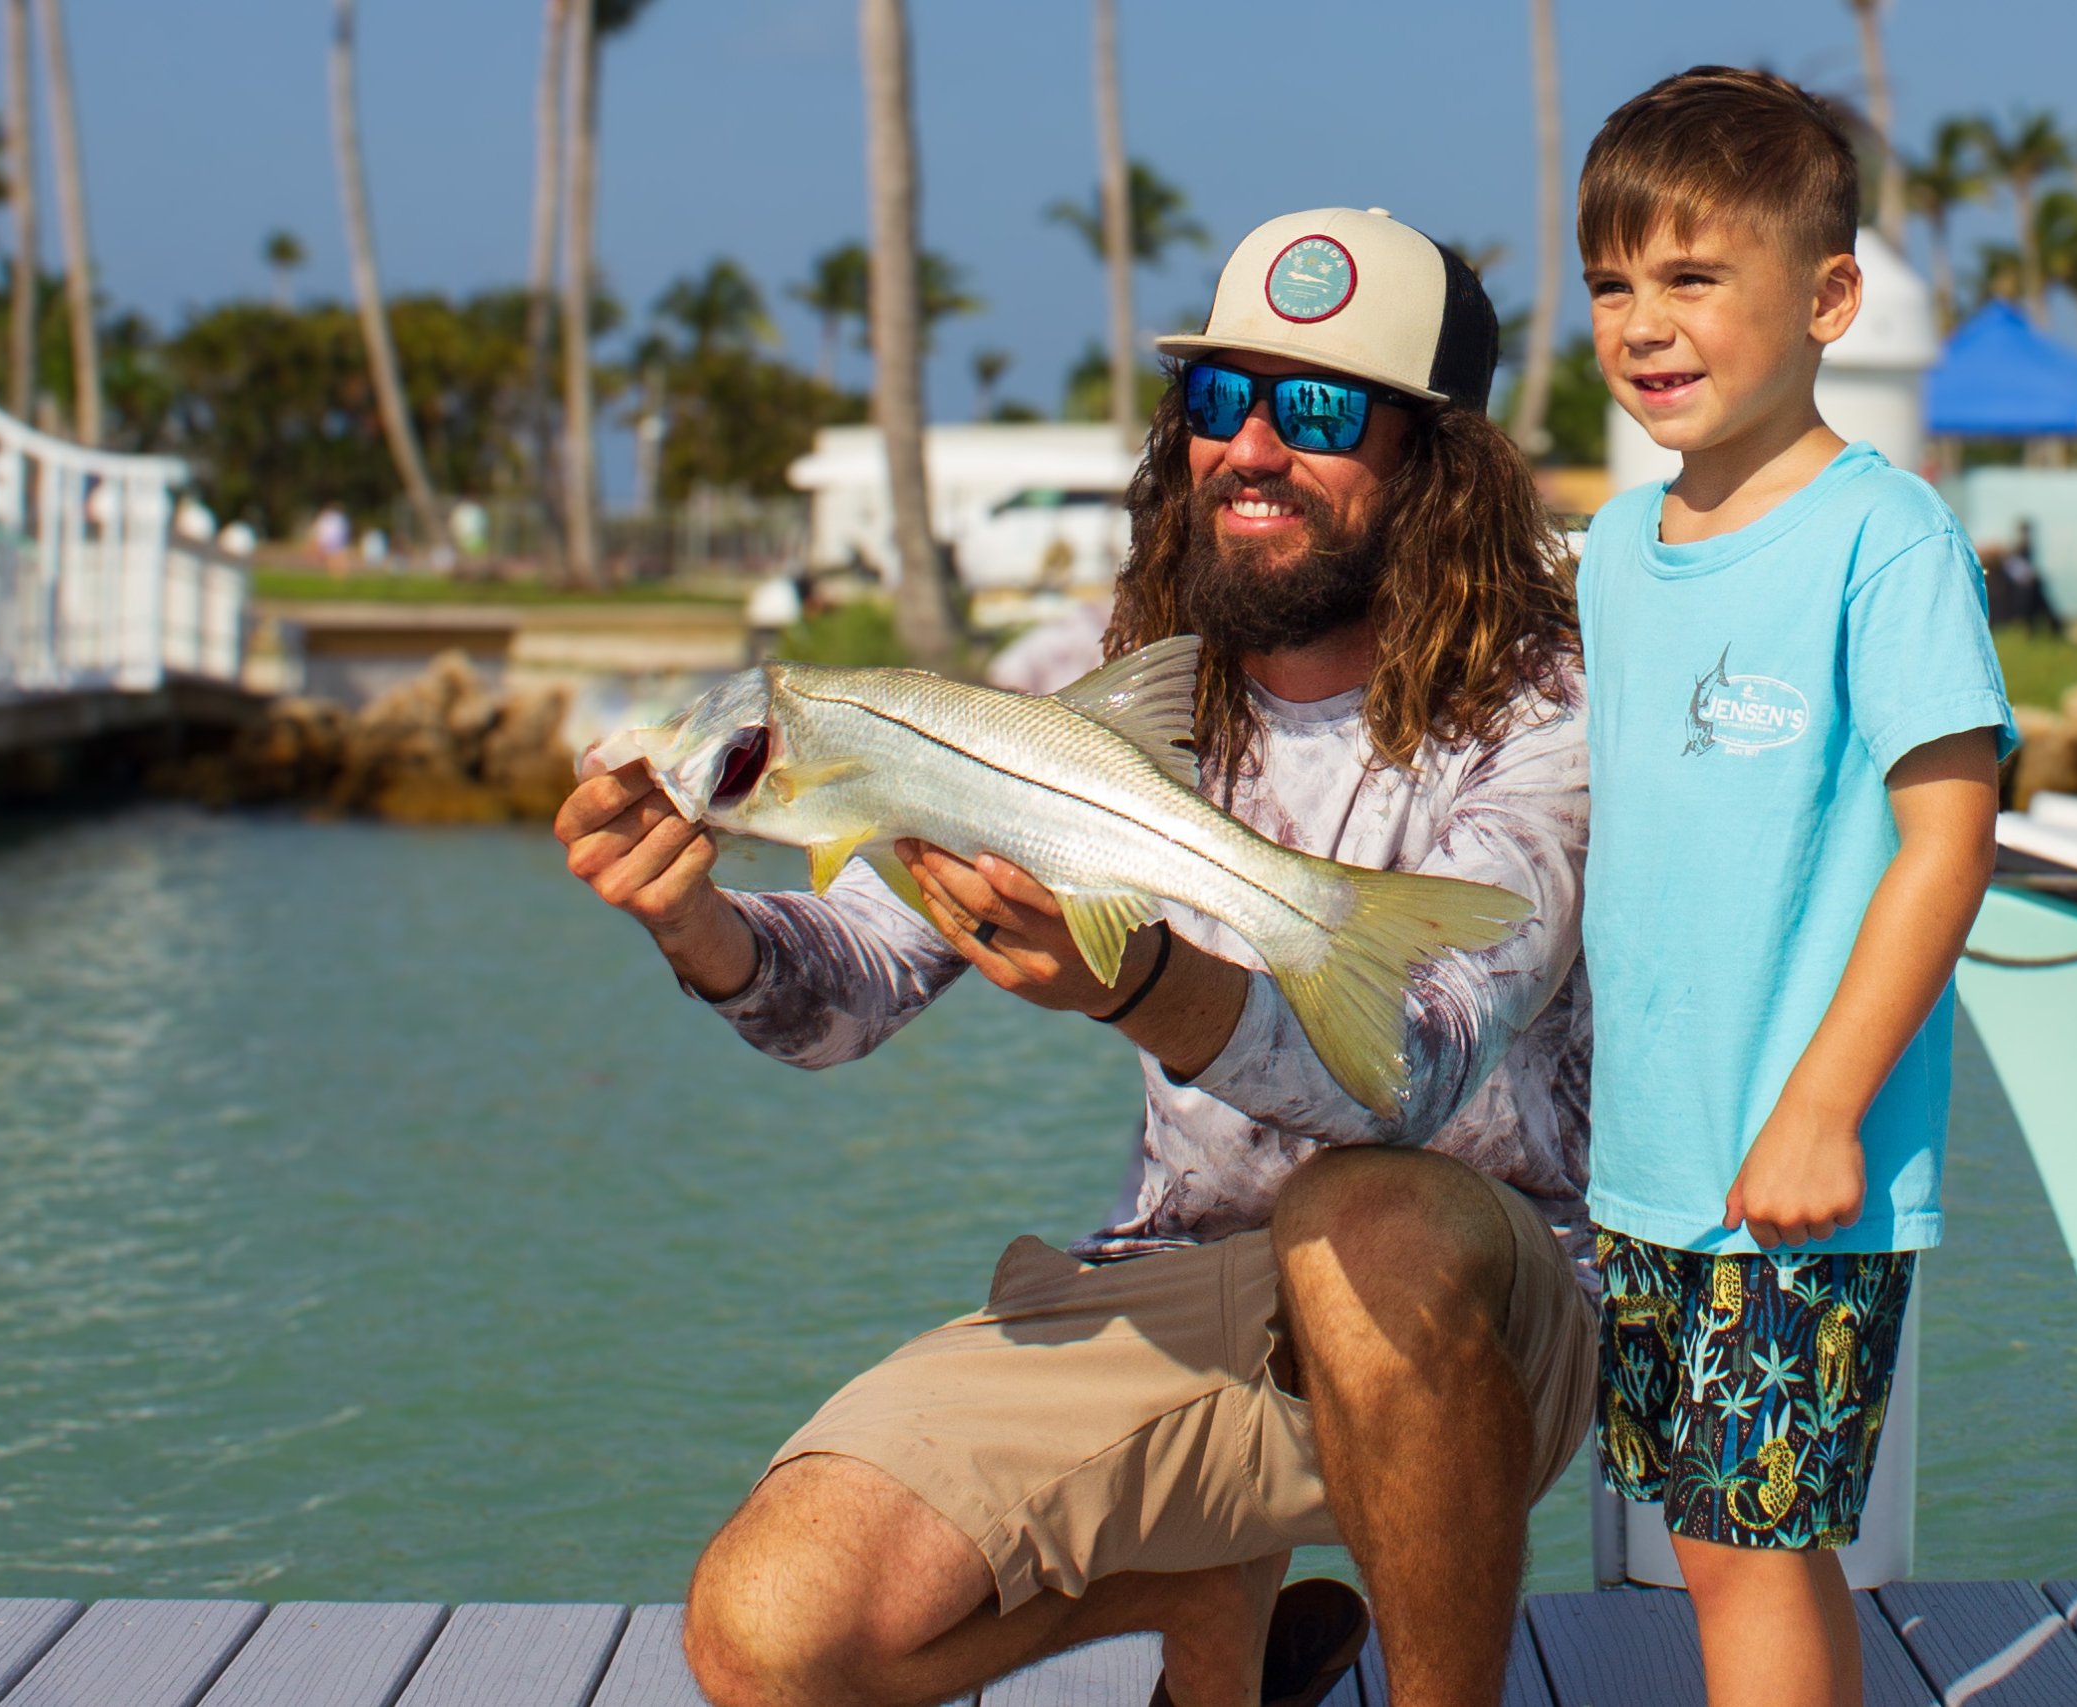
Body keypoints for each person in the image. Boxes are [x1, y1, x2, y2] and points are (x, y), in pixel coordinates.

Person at [554, 206, 1594, 1707]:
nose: (1249, 449)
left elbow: (1418, 1068)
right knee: (770, 1634)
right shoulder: (1089, 684)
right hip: (1184, 1278)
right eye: (1217, 400)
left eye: (1316, 412)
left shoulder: (1541, 714)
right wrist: (694, 922)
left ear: (1438, 465)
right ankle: (1199, 1590)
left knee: (1372, 1213)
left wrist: (1144, 989)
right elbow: (846, 997)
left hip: (1486, 1309)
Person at [1570, 70, 2015, 1707]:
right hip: (1651, 1158)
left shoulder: (1885, 538)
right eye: (1613, 283)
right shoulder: (1616, 551)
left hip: (1801, 1163)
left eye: (1694, 277)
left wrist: (1825, 1108)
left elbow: (1950, 841)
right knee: (1724, 1543)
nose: (1645, 323)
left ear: (1829, 299)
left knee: (1749, 1545)